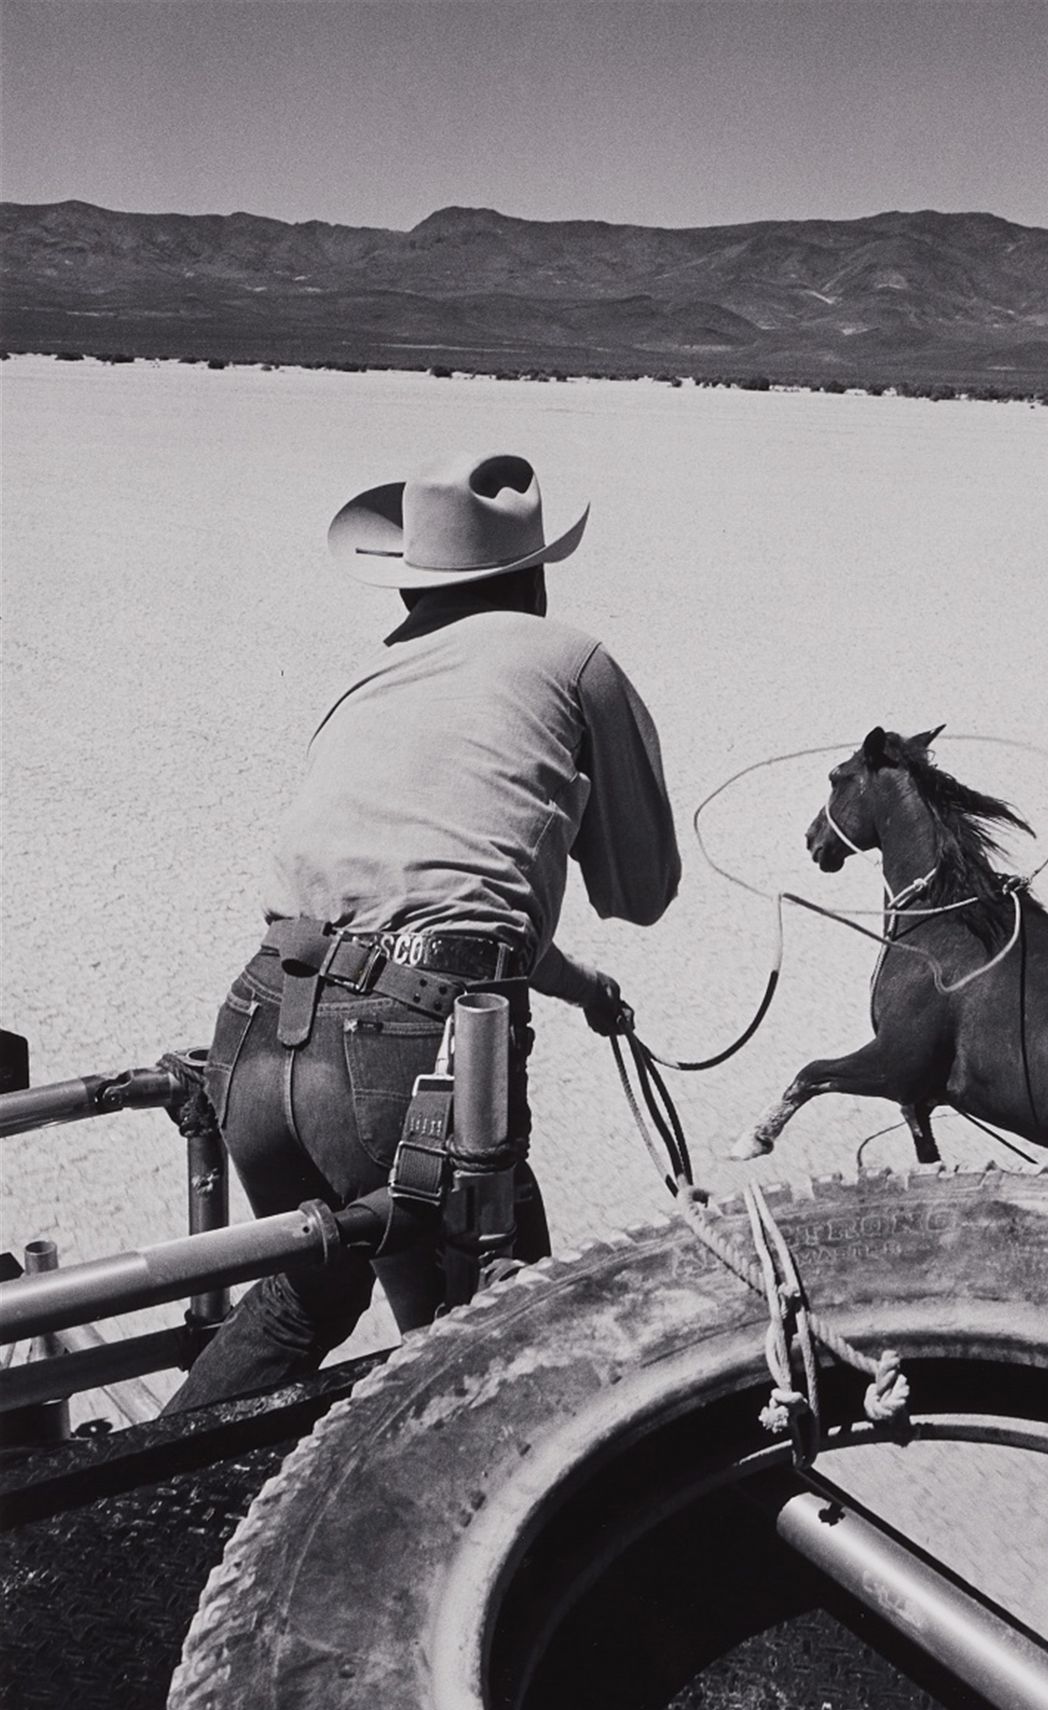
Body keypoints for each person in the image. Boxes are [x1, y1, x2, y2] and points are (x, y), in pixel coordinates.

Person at [165, 450, 680, 1413]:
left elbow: (407, 905)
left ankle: (113, 1519)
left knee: (304, 1296)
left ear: (413, 580)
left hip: (259, 1027)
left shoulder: (372, 676)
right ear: (532, 574)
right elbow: (640, 890)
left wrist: (576, 983)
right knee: (502, 1336)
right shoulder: (571, 660)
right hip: (405, 1051)